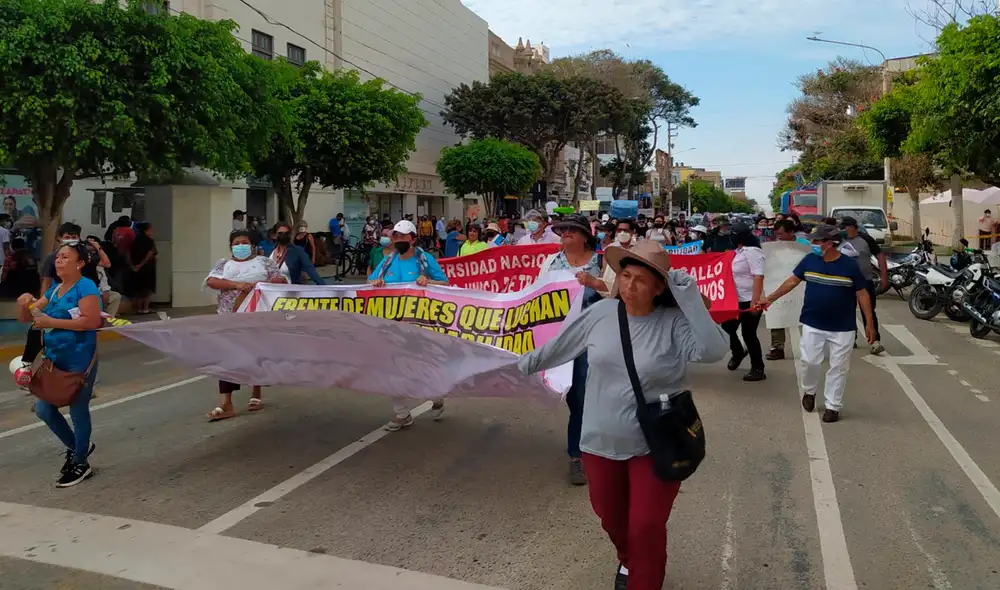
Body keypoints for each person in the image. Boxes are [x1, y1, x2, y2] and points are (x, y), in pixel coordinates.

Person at [518, 241, 728, 590]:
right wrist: (515, 365)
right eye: (625, 276)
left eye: (640, 280)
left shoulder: (674, 324)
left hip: (656, 444)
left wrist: (690, 299)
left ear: (659, 287)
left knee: (646, 525)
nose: (629, 286)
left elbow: (713, 350)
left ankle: (642, 577)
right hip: (599, 440)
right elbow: (560, 346)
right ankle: (628, 560)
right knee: (611, 519)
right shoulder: (601, 315)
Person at [758, 224, 876, 423]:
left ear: (830, 244)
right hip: (813, 323)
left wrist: (869, 324)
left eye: (816, 241)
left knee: (839, 367)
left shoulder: (849, 266)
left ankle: (833, 406)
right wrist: (770, 298)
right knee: (810, 361)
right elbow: (791, 282)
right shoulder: (810, 261)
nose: (812, 244)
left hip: (843, 326)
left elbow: (862, 295)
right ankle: (810, 391)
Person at [18, 241, 103, 487]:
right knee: (44, 409)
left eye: (65, 257)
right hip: (55, 359)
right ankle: (78, 447)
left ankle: (80, 462)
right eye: (57, 257)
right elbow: (31, 318)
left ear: (80, 263)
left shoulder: (86, 287)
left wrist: (50, 322)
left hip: (80, 357)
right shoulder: (55, 290)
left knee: (78, 409)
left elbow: (91, 321)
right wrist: (25, 303)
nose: (59, 261)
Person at [536, 214, 602, 485]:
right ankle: (580, 451)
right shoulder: (551, 263)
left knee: (589, 395)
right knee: (574, 396)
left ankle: (580, 455)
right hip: (562, 340)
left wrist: (594, 283)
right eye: (562, 231)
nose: (565, 235)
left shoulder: (603, 262)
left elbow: (620, 292)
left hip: (595, 340)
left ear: (585, 236)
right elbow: (538, 295)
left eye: (571, 231)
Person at [369, 220, 449, 430]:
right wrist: (376, 283)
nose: (398, 240)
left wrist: (428, 281)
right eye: (396, 236)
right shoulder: (387, 261)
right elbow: (370, 282)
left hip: (419, 326)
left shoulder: (424, 259)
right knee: (392, 368)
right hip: (392, 326)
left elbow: (446, 284)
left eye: (403, 237)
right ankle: (402, 414)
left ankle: (436, 394)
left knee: (422, 367)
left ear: (413, 239)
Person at [205, 230, 287, 421]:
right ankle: (226, 402)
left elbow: (280, 279)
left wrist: (261, 283)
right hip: (230, 317)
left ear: (251, 245)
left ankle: (256, 393)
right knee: (226, 357)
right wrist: (236, 285)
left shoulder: (263, 262)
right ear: (231, 246)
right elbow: (212, 281)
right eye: (237, 242)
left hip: (258, 316)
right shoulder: (224, 264)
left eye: (244, 242)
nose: (241, 245)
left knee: (255, 354)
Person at [721, 228, 767, 381]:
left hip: (750, 299)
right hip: (735, 299)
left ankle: (758, 368)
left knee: (749, 334)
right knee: (727, 329)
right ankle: (738, 352)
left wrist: (755, 301)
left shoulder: (753, 251)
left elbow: (758, 276)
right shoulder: (737, 252)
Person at [837, 216, 886, 354]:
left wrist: (884, 276)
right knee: (847, 311)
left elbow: (880, 256)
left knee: (869, 311)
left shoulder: (866, 239)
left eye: (845, 227)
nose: (843, 229)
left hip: (865, 280)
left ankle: (875, 341)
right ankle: (851, 338)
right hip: (845, 281)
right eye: (841, 227)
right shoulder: (839, 240)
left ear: (853, 227)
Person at [766, 219, 798, 360]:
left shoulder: (803, 246)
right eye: (776, 234)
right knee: (776, 315)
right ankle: (777, 348)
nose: (778, 237)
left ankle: (814, 347)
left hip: (799, 287)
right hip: (778, 285)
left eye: (781, 234)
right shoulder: (772, 247)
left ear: (791, 232)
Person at [125, 222, 157, 314]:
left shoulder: (134, 240)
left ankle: (139, 308)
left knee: (138, 289)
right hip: (147, 268)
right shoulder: (150, 241)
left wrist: (132, 265)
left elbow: (127, 253)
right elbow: (151, 253)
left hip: (135, 268)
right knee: (147, 289)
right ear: (147, 230)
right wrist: (141, 264)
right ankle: (146, 308)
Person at [86, 236, 121, 318]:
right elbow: (107, 264)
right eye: (88, 243)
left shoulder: (97, 258)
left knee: (115, 296)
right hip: (90, 290)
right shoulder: (85, 258)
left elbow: (106, 266)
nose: (91, 244)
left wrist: (98, 248)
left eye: (93, 243)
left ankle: (108, 320)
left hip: (101, 288)